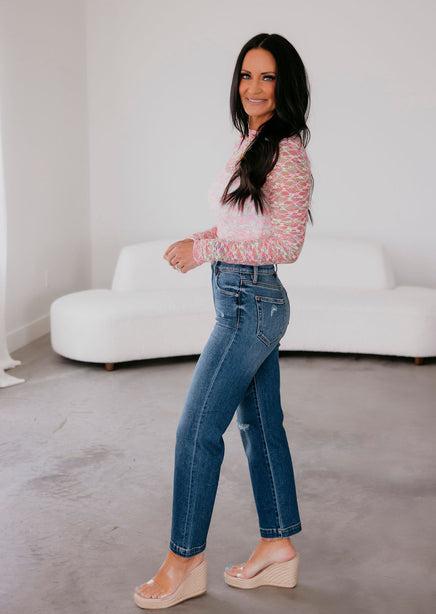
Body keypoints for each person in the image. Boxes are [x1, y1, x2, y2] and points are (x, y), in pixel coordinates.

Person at [134, 32, 312, 609]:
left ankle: (184, 561)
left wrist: (206, 251)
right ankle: (277, 546)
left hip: (249, 305)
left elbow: (286, 246)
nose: (254, 87)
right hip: (242, 299)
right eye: (246, 75)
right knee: (260, 427)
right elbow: (243, 225)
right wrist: (198, 240)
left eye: (267, 77)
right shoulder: (252, 141)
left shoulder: (287, 153)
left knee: (196, 431)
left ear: (286, 85)